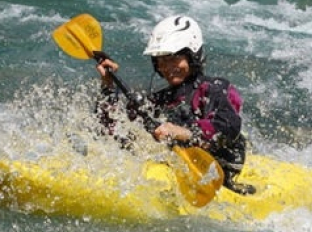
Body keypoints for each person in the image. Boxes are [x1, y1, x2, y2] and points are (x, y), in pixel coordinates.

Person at [95, 15, 251, 193]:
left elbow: (228, 127)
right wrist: (108, 86)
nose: (166, 67)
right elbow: (112, 131)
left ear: (192, 55)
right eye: (160, 60)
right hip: (180, 173)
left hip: (223, 177)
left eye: (173, 58)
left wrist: (181, 132)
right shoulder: (160, 100)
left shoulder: (216, 89)